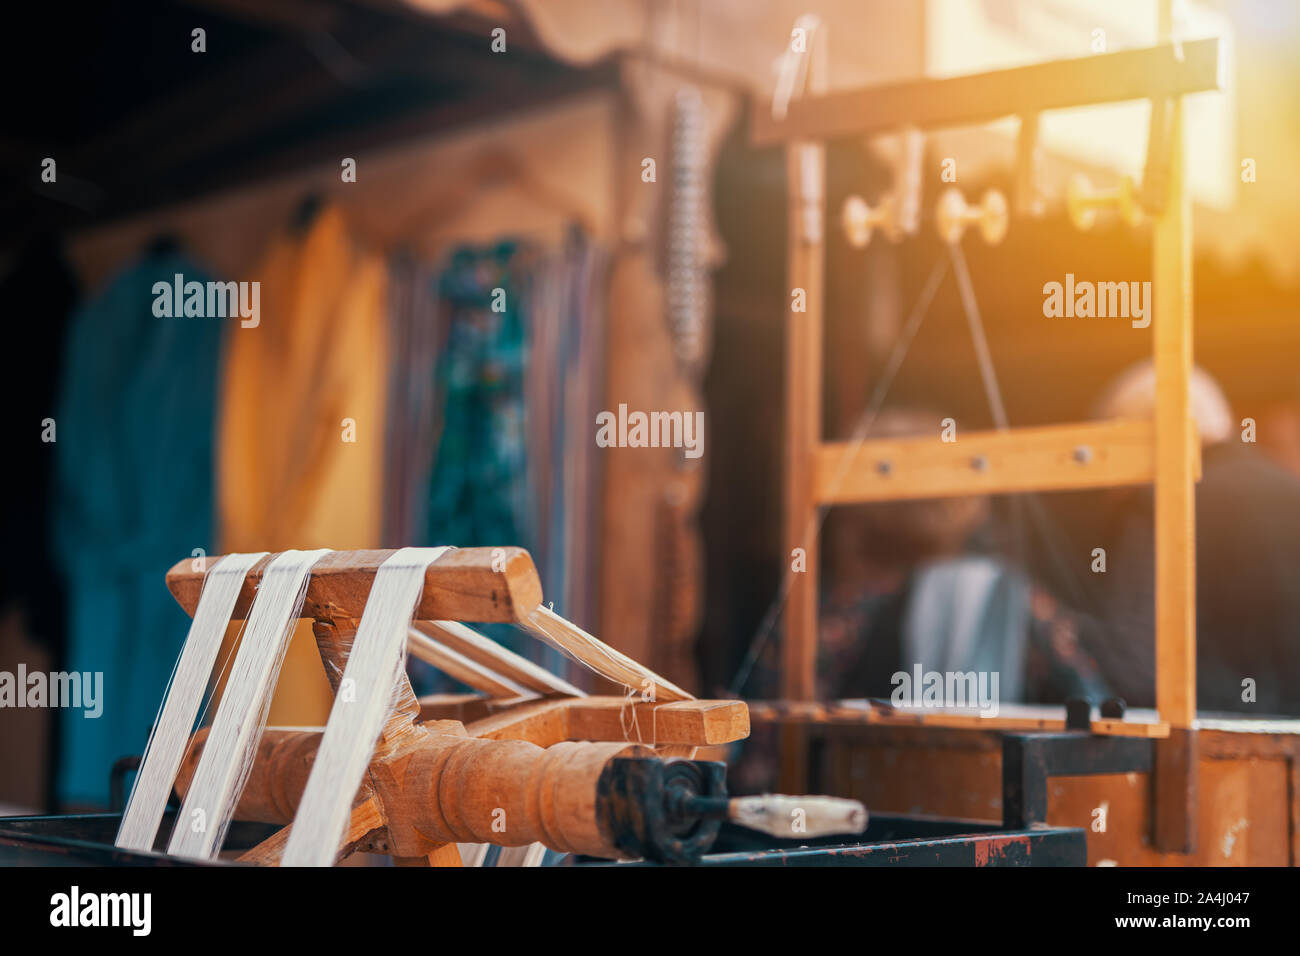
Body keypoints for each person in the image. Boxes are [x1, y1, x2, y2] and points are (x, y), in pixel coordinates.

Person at [1080, 361, 1300, 715]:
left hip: (1214, 754)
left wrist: (1070, 641)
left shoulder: (1162, 506)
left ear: (1146, 435)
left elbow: (1137, 668)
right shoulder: (1292, 492)